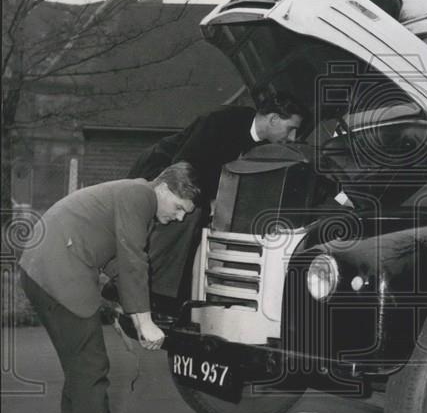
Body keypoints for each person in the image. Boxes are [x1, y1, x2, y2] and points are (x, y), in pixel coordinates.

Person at [18, 163, 201, 413]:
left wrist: (122, 302)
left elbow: (115, 256)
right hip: (58, 272)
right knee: (91, 366)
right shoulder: (139, 196)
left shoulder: (132, 192)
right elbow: (133, 258)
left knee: (80, 360)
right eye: (178, 208)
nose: (179, 218)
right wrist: (143, 322)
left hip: (40, 267)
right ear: (163, 189)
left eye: (185, 214)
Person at [126, 93, 306, 311]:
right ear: (274, 119)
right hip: (162, 170)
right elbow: (183, 169)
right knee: (183, 217)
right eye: (291, 128)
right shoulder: (220, 122)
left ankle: (176, 296)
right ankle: (145, 292)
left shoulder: (259, 144)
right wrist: (210, 201)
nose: (294, 137)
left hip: (194, 183)